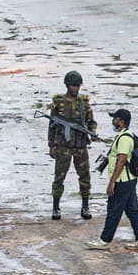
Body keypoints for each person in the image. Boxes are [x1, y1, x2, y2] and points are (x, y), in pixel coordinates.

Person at [88, 108, 138, 251]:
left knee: (114, 211)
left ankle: (104, 240)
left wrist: (112, 181)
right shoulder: (125, 135)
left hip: (122, 181)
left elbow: (121, 160)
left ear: (121, 121)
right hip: (129, 180)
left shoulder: (125, 138)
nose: (113, 121)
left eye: (115, 119)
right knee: (132, 210)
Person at [47, 70, 95, 221]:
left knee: (85, 177)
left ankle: (85, 206)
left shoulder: (84, 103)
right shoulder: (58, 102)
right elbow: (52, 126)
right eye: (73, 85)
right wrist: (51, 146)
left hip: (80, 146)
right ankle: (56, 207)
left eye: (77, 86)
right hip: (63, 147)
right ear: (67, 85)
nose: (76, 88)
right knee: (59, 178)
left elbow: (91, 122)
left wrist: (92, 132)